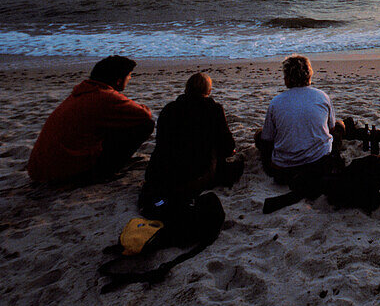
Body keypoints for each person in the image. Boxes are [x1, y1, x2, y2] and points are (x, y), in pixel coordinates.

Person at [26, 55, 154, 183]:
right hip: (64, 173)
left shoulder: (81, 92)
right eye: (129, 75)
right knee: (145, 125)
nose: (130, 78)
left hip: (38, 171)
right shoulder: (104, 96)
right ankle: (106, 171)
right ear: (119, 80)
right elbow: (144, 114)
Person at [138, 72, 244, 213]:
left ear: (186, 89)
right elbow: (227, 146)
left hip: (160, 171)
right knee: (236, 166)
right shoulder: (213, 109)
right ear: (209, 91)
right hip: (193, 173)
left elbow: (161, 141)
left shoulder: (169, 109)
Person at [255, 54, 345, 187]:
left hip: (284, 169)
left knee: (259, 135)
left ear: (287, 78)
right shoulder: (322, 97)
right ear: (309, 75)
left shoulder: (276, 102)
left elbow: (267, 138)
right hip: (319, 162)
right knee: (339, 126)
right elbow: (331, 128)